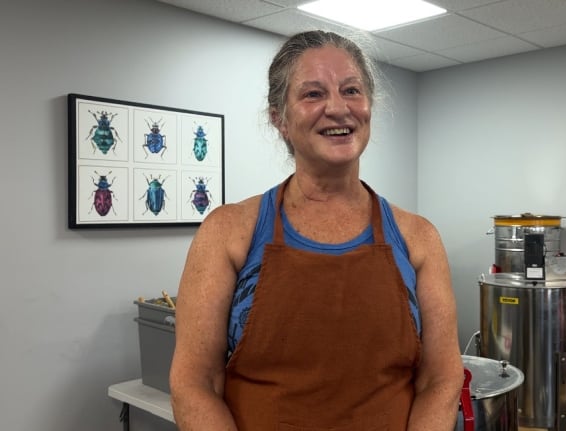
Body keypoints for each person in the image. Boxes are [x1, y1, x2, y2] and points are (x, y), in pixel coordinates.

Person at [169, 30, 464, 430]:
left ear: (369, 107)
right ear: (280, 119)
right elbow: (195, 382)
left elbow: (440, 380)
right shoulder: (228, 232)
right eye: (313, 94)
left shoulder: (418, 238)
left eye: (351, 90)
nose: (338, 108)